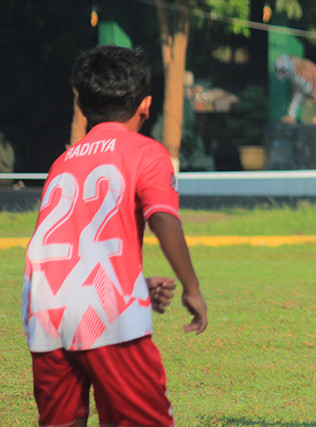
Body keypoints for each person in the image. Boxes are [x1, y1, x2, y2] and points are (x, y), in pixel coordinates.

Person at [22, 45, 208, 427]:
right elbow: (162, 218)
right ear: (145, 105)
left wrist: (135, 283)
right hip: (106, 313)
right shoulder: (145, 152)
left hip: (43, 311)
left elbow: (72, 246)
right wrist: (191, 288)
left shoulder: (64, 161)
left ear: (81, 104)